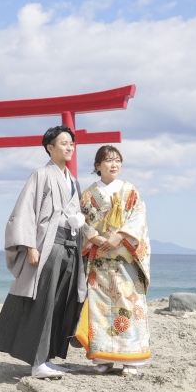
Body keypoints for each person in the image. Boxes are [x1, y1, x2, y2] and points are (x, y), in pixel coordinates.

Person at [0, 125, 87, 379]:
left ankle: (47, 358)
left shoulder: (73, 181)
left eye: (72, 143)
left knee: (60, 302)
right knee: (42, 301)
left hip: (70, 245)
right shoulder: (40, 175)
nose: (69, 147)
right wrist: (29, 246)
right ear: (50, 148)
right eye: (63, 143)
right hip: (47, 246)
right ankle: (36, 362)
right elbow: (24, 211)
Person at [73, 145, 151, 376]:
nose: (114, 164)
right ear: (97, 166)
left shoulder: (130, 190)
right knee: (100, 306)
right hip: (99, 258)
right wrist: (94, 238)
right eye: (108, 160)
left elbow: (139, 218)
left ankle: (131, 359)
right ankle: (102, 358)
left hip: (125, 257)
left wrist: (119, 235)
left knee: (128, 304)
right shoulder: (88, 194)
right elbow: (81, 220)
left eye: (117, 160)